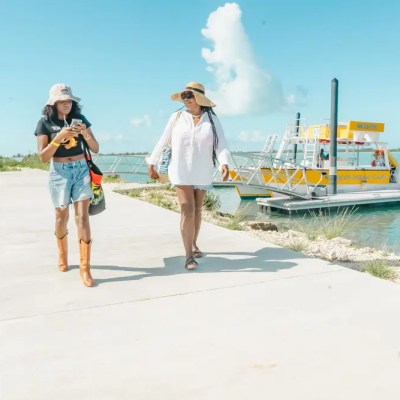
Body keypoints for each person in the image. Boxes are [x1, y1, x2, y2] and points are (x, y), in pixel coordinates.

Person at [147, 82, 231, 270]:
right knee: (187, 209)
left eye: (189, 96)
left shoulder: (211, 119)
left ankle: (193, 244)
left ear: (199, 98)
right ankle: (188, 256)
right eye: (184, 96)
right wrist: (152, 162)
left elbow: (221, 144)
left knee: (198, 209)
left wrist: (224, 163)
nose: (186, 100)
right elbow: (164, 139)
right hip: (180, 168)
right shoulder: (177, 117)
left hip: (202, 169)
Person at [34, 83, 99, 287]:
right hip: (59, 173)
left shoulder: (80, 120)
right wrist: (59, 138)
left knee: (83, 218)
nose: (67, 104)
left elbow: (95, 148)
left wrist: (85, 134)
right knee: (62, 216)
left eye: (69, 100)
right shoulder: (44, 123)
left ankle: (85, 268)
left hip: (81, 170)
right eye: (62, 101)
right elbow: (43, 157)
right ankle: (62, 254)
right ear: (53, 103)